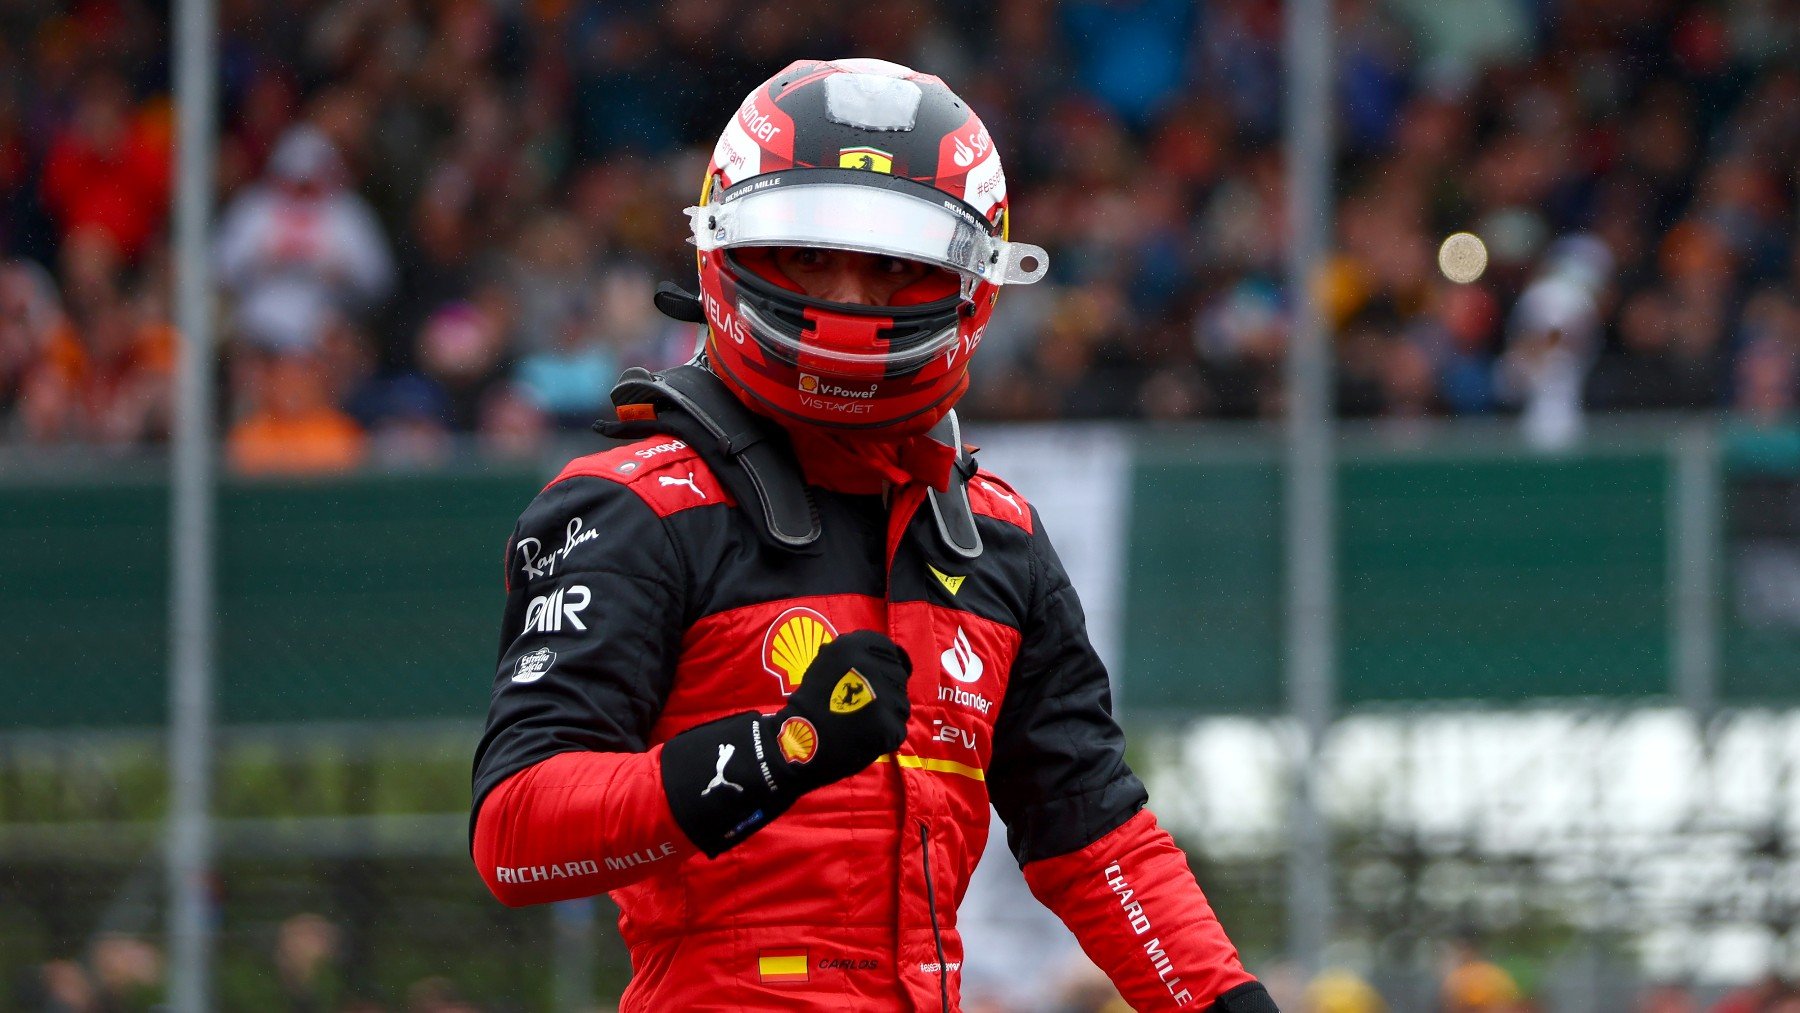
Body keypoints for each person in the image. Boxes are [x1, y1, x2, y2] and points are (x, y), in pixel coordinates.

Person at [470, 58, 1274, 1012]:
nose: (848, 300)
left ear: (970, 279)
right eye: (809, 255)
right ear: (729, 248)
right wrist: (777, 752)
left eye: (894, 266)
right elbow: (514, 835)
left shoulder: (997, 539)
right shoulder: (632, 507)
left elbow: (1095, 835)